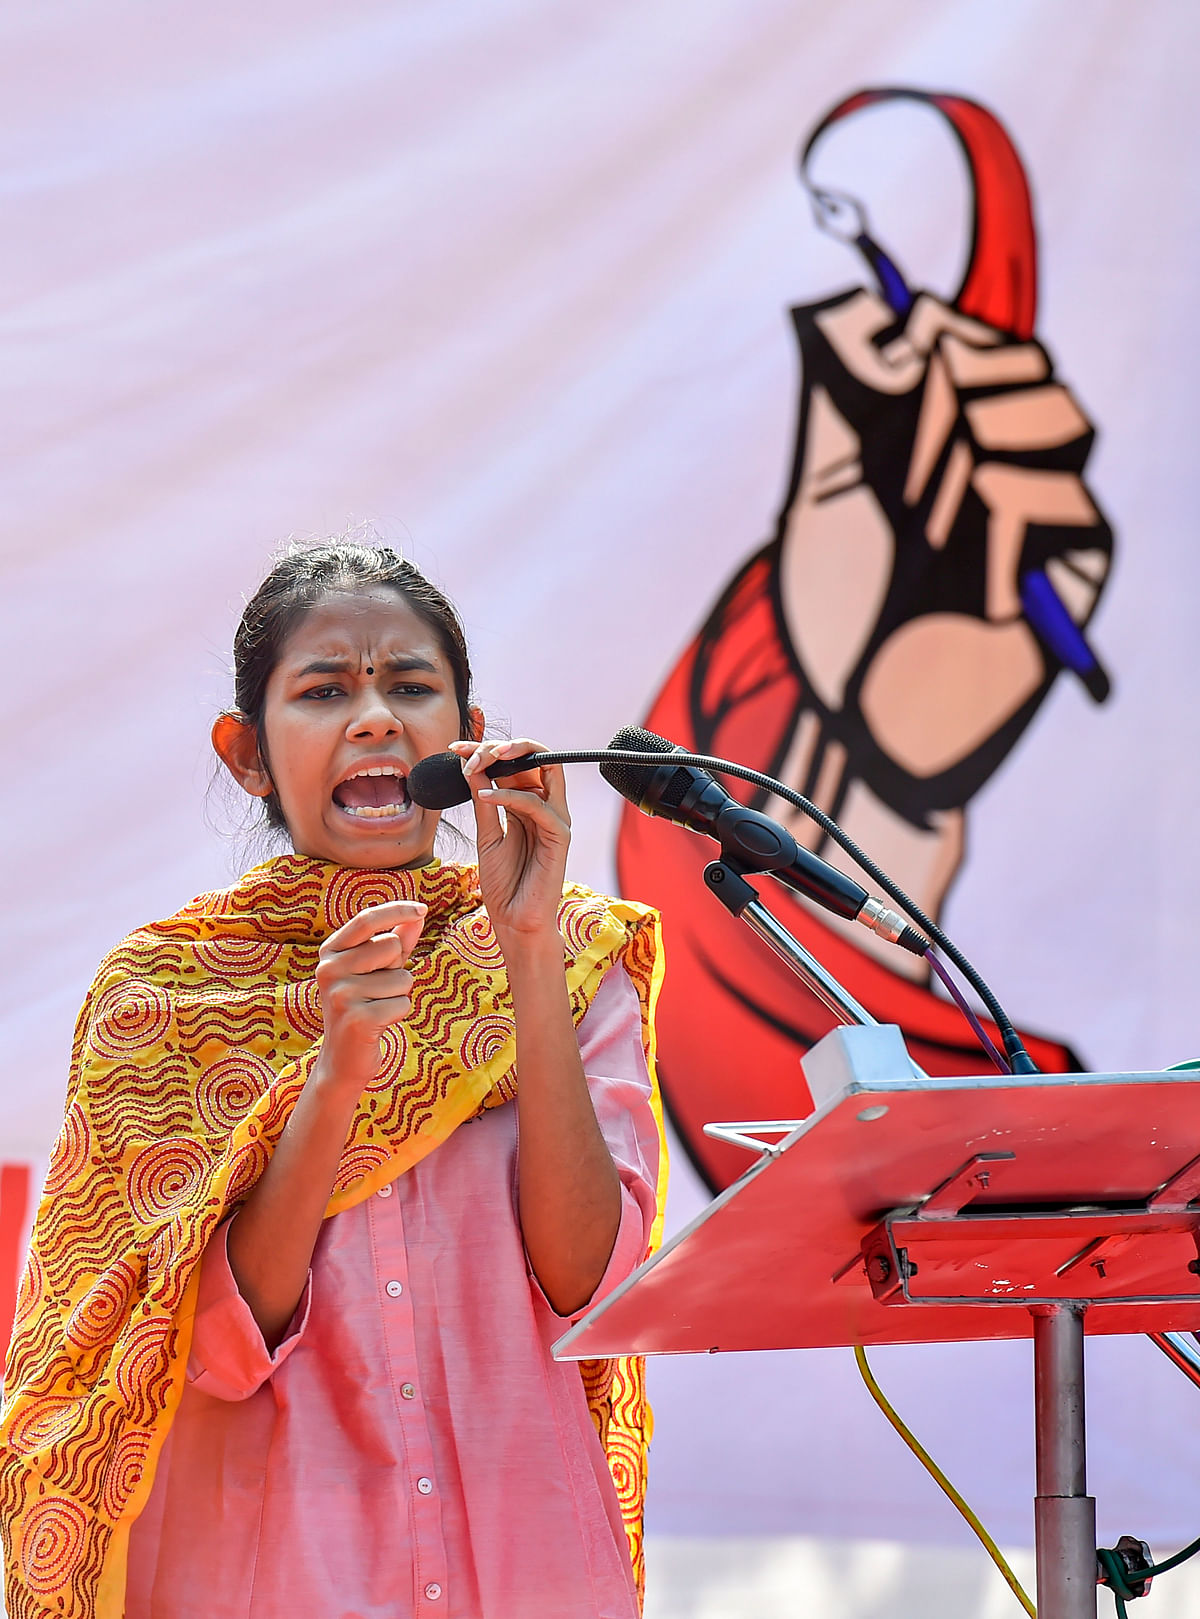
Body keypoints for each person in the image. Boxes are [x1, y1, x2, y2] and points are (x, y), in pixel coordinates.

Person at [1, 541, 666, 1619]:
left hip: (523, 1562)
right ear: (248, 753)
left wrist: (527, 944)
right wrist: (336, 1077)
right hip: (270, 1572)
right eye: (324, 690)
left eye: (411, 686)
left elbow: (590, 1282)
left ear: (467, 735)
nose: (374, 717)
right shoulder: (161, 996)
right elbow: (217, 1345)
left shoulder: (573, 953)